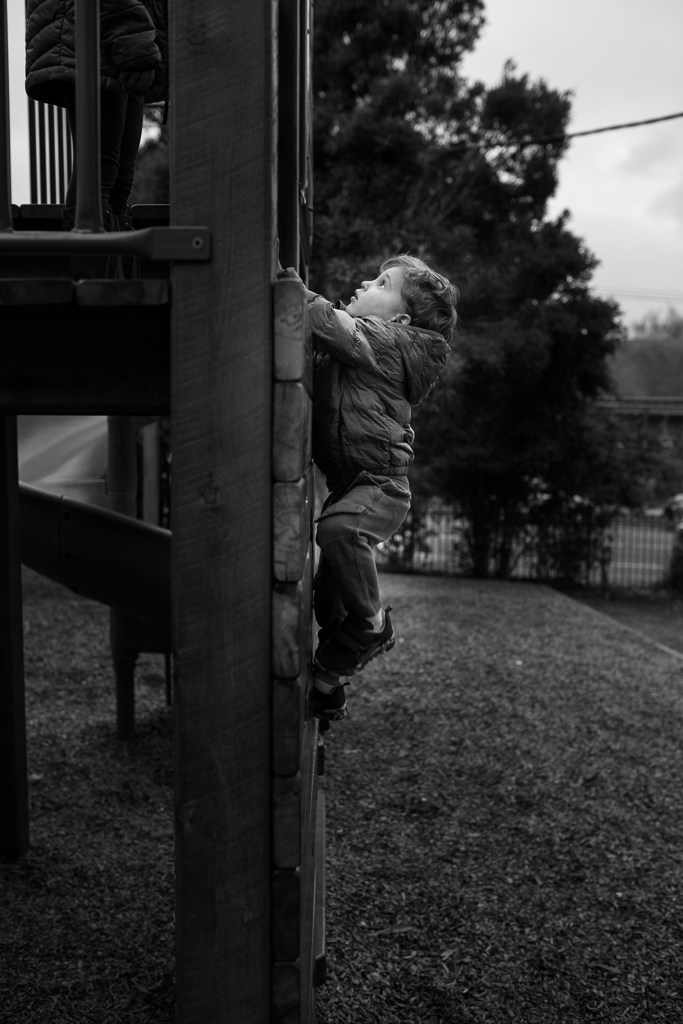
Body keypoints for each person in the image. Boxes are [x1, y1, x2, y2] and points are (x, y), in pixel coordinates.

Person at [280, 255, 458, 721]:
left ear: (399, 319)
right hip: (350, 483)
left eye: (382, 282)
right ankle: (328, 687)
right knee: (329, 606)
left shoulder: (384, 340)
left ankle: (374, 624)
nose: (364, 281)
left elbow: (327, 322)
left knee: (339, 532)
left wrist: (286, 283)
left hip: (379, 485)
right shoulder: (363, 342)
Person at [25, 0, 167, 232]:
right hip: (103, 25)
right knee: (99, 178)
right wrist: (130, 32)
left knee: (117, 185)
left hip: (120, 25)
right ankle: (92, 268)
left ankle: (112, 266)